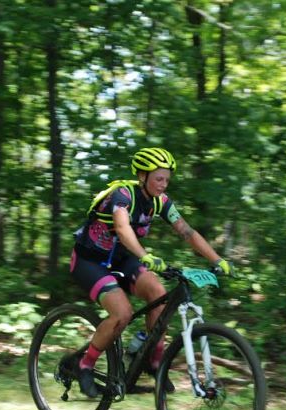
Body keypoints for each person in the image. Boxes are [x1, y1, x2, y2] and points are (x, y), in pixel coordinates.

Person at [66, 147, 232, 397]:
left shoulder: (160, 202)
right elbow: (122, 228)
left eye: (167, 179)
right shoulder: (122, 195)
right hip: (90, 261)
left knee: (159, 293)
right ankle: (84, 364)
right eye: (159, 178)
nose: (164, 184)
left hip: (122, 260)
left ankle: (152, 361)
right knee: (122, 314)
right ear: (143, 175)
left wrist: (218, 259)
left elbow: (186, 231)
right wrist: (145, 256)